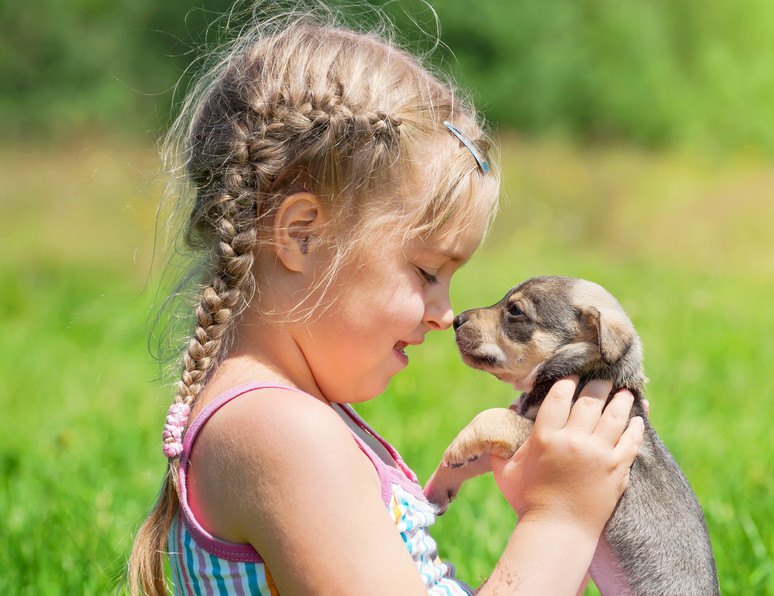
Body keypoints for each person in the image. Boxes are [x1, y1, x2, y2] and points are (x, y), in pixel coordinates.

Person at [128, 11, 644, 595]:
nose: (445, 312)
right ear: (302, 236)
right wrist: (560, 518)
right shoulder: (282, 434)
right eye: (426, 271)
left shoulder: (288, 419)